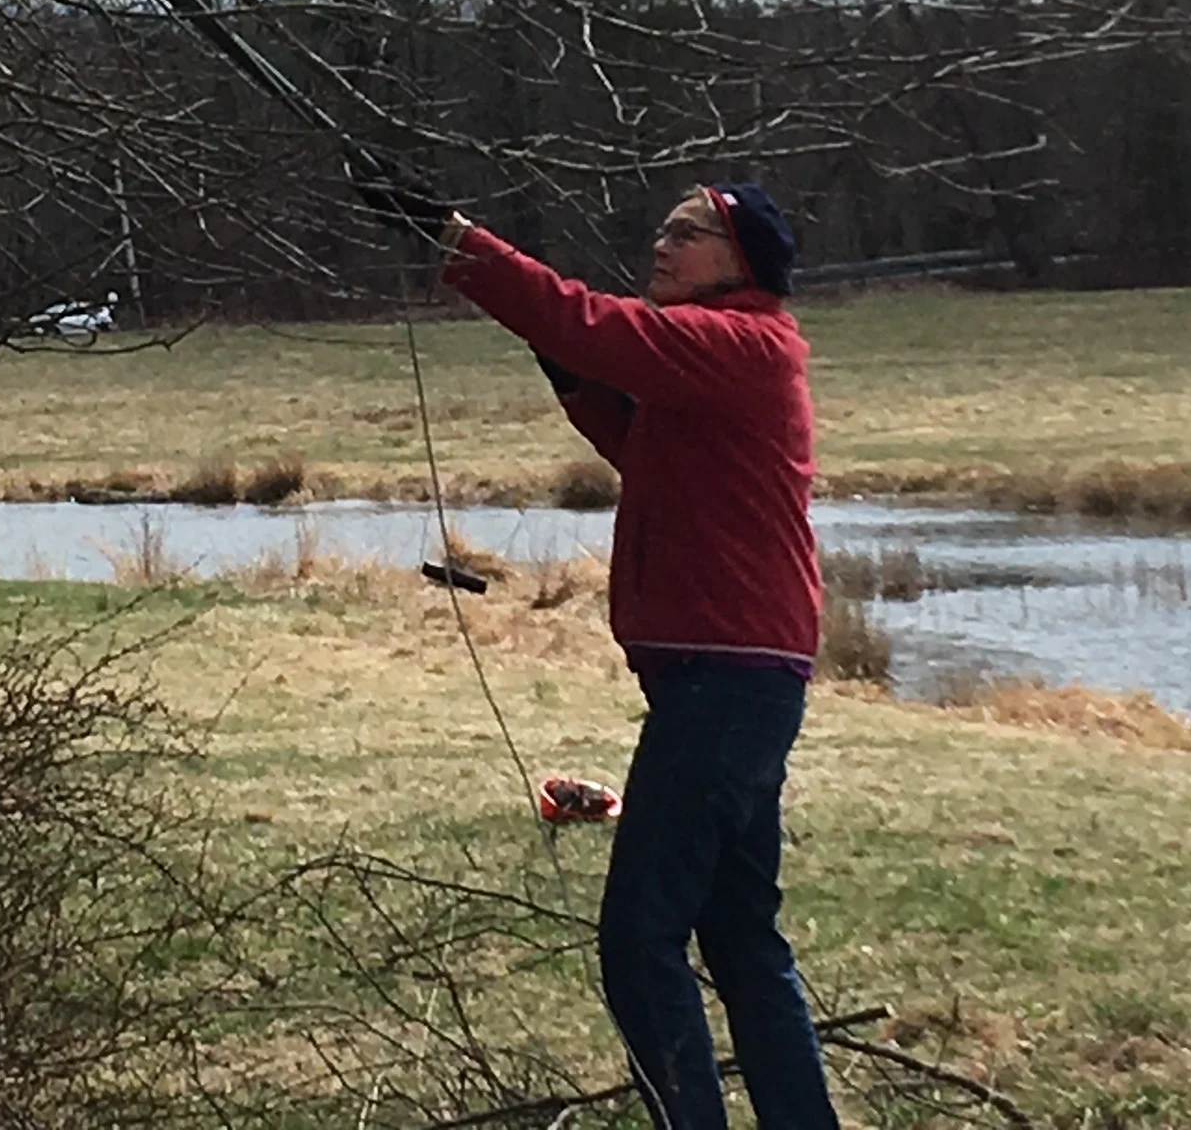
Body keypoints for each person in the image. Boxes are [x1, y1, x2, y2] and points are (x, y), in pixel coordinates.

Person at [351, 158, 839, 1130]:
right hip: (739, 678)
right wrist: (559, 354)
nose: (660, 244)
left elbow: (589, 324)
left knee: (640, 939)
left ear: (738, 259)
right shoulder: (717, 361)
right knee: (742, 939)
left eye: (684, 232)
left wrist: (455, 241)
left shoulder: (741, 345)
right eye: (661, 231)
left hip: (726, 681)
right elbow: (630, 426)